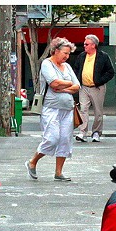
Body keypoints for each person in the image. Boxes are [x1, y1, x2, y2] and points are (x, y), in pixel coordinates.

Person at [25, 37, 80, 181]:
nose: (67, 57)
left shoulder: (67, 67)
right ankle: (32, 162)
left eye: (69, 54)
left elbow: (77, 86)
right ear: (56, 51)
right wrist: (68, 84)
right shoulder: (46, 64)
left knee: (65, 140)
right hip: (51, 108)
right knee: (52, 138)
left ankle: (58, 172)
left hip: (67, 108)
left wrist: (65, 88)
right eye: (65, 53)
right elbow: (54, 83)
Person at [73, 35, 114, 143]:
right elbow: (76, 69)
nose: (84, 46)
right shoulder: (82, 56)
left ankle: (96, 132)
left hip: (97, 88)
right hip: (84, 87)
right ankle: (82, 132)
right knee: (83, 109)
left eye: (86, 44)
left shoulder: (103, 56)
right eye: (84, 44)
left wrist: (99, 81)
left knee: (98, 111)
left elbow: (110, 72)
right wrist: (78, 80)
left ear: (93, 45)